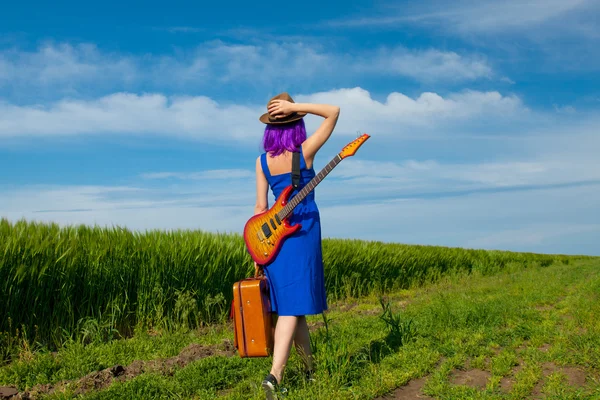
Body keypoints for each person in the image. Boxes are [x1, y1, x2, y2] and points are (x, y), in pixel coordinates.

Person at [254, 92, 340, 399]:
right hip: (301, 235)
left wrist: (257, 249)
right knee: (292, 307)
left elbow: (259, 209)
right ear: (296, 125)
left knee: (296, 307)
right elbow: (333, 111)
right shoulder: (303, 153)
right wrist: (296, 107)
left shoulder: (262, 162)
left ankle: (310, 372)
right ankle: (274, 376)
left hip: (271, 241)